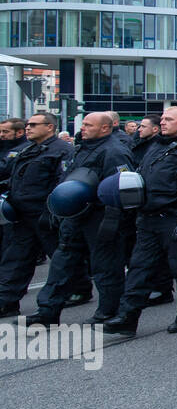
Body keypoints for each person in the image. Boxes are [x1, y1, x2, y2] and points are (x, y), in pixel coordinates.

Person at [103, 107, 177, 335]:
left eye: (169, 119)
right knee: (138, 270)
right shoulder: (156, 146)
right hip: (148, 219)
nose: (163, 123)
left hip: (176, 218)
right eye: (162, 119)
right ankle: (127, 317)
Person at [30, 112, 135, 327]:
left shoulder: (115, 152)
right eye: (83, 124)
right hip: (75, 216)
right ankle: (47, 311)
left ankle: (108, 311)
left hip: (100, 217)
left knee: (105, 267)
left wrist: (113, 221)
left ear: (105, 128)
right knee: (61, 263)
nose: (83, 128)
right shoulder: (81, 148)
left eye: (88, 125)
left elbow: (122, 188)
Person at [0, 114, 74, 318]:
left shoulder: (63, 150)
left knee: (60, 257)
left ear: (49, 127)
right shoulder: (27, 149)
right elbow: (16, 178)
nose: (28, 128)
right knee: (15, 259)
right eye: (27, 125)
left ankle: (78, 289)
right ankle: (6, 301)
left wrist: (52, 211)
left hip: (45, 215)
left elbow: (63, 183)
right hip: (22, 215)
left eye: (33, 125)